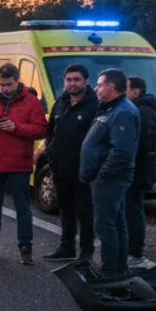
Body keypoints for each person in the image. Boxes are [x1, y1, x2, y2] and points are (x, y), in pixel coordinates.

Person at [0, 63, 48, 264]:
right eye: (2, 84)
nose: (5, 88)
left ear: (17, 80)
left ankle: (25, 248)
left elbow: (41, 130)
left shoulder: (31, 102)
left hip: (18, 162)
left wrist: (16, 127)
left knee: (22, 207)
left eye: (9, 84)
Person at [80, 69, 140, 277]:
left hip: (109, 179)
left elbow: (121, 151)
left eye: (99, 85)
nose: (96, 89)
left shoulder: (122, 112)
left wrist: (102, 175)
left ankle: (109, 272)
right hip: (105, 177)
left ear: (111, 87)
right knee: (116, 223)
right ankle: (118, 269)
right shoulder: (109, 108)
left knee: (105, 226)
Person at [42, 64, 99, 264]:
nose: (72, 83)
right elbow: (50, 130)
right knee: (65, 208)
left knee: (85, 210)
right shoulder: (61, 102)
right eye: (69, 80)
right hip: (60, 166)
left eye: (76, 80)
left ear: (86, 81)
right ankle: (66, 246)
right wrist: (50, 151)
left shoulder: (95, 105)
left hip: (83, 169)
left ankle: (86, 251)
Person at [125, 75, 156, 268]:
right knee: (130, 210)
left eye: (126, 89)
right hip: (135, 170)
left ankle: (135, 254)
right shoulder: (139, 110)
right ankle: (130, 251)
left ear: (136, 91)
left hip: (137, 172)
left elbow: (142, 145)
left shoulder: (143, 112)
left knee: (133, 211)